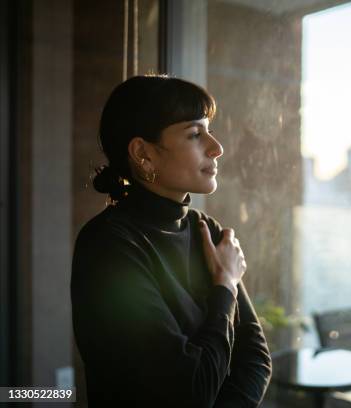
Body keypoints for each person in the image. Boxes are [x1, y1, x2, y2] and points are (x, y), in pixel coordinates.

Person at [70, 75, 272, 407]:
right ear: (143, 153)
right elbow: (189, 393)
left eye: (209, 129)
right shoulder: (108, 246)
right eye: (195, 134)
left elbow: (255, 358)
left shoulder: (206, 228)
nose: (216, 146)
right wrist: (225, 285)